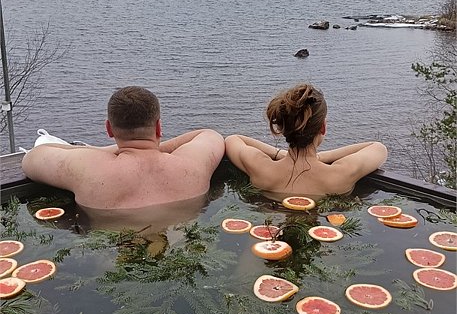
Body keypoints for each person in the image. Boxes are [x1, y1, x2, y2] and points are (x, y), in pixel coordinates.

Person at [21, 86, 225, 209]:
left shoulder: (88, 169)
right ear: (158, 127)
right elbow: (209, 134)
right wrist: (156, 148)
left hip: (108, 252)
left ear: (109, 129)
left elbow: (32, 158)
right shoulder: (192, 165)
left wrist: (100, 151)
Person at [225, 83, 388, 196]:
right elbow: (377, 147)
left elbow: (234, 139)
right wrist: (320, 157)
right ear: (323, 127)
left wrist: (280, 154)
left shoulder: (261, 168)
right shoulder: (341, 173)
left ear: (282, 128)